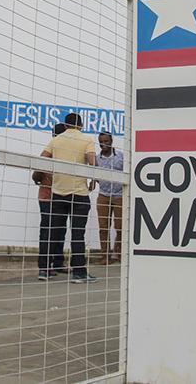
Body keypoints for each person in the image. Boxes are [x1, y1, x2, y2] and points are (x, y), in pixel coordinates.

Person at [41, 112, 97, 283]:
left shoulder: (56, 140)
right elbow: (92, 161)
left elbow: (42, 159)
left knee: (52, 232)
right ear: (80, 126)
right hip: (79, 194)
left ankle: (44, 269)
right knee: (77, 234)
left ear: (65, 126)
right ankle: (79, 273)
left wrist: (40, 177)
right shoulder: (86, 139)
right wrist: (93, 180)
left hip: (58, 193)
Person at [33, 123, 66, 279]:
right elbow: (36, 174)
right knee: (49, 231)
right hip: (50, 197)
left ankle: (56, 263)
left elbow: (36, 176)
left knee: (58, 230)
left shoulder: (53, 150)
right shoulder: (53, 151)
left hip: (57, 196)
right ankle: (45, 267)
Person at [95, 131, 124, 265]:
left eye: (106, 141)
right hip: (103, 195)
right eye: (101, 141)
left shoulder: (121, 157)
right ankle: (104, 256)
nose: (104, 144)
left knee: (120, 226)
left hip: (119, 196)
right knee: (103, 227)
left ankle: (117, 253)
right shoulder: (96, 159)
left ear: (111, 141)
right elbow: (94, 175)